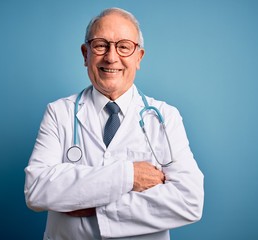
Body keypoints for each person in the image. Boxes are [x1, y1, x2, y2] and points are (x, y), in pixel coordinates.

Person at [24, 7, 204, 240]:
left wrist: (93, 205)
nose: (111, 57)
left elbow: (189, 201)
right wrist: (129, 175)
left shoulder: (164, 117)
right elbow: (37, 190)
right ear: (85, 54)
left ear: (138, 57)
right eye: (100, 45)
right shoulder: (59, 113)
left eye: (124, 47)